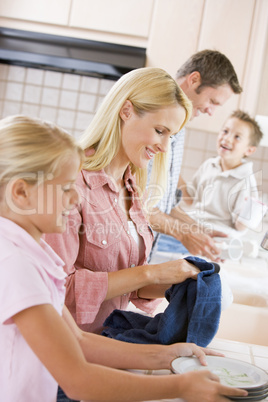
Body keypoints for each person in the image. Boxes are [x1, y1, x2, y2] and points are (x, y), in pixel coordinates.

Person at [0, 115, 248, 402]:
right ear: (21, 193)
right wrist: (180, 387)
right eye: (67, 187)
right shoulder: (15, 264)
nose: (76, 198)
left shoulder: (36, 253)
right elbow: (77, 380)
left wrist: (167, 355)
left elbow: (77, 341)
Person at [45, 66, 200, 337]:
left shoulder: (132, 187)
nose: (165, 147)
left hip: (107, 343)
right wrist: (150, 274)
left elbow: (126, 284)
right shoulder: (70, 182)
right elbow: (55, 289)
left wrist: (179, 283)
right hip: (67, 353)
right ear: (126, 111)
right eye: (160, 130)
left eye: (171, 136)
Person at [147, 49, 243, 261]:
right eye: (213, 102)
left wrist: (199, 230)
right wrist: (184, 233)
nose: (211, 112)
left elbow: (163, 205)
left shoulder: (179, 126)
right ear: (194, 79)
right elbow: (136, 204)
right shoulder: (153, 118)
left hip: (142, 251)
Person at [178, 109, 263, 233]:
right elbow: (191, 199)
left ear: (249, 150)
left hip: (218, 238)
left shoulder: (245, 181)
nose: (227, 139)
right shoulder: (209, 165)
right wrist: (175, 175)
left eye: (237, 137)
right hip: (194, 229)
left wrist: (247, 216)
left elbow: (241, 227)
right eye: (225, 131)